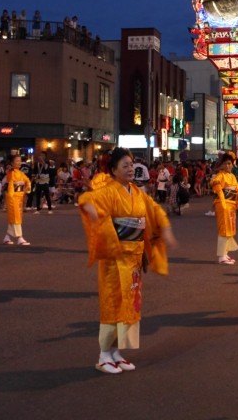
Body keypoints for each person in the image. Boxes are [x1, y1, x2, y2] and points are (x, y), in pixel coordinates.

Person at [77, 148, 176, 374]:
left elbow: (154, 211)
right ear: (113, 170)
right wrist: (91, 210)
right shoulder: (109, 191)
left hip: (133, 256)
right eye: (125, 165)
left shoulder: (137, 192)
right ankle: (104, 354)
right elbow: (86, 198)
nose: (130, 168)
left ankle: (116, 352)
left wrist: (165, 230)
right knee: (113, 303)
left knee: (130, 304)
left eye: (131, 164)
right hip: (116, 256)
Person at [210, 153, 238, 264]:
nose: (228, 166)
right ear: (221, 165)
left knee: (230, 229)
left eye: (230, 164)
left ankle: (225, 253)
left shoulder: (232, 176)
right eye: (226, 164)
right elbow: (216, 186)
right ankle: (222, 256)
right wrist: (222, 203)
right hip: (224, 204)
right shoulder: (220, 175)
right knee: (224, 229)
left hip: (231, 204)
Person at [2, 154, 32, 245]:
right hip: (13, 197)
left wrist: (26, 188)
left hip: (19, 196)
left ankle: (7, 236)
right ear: (12, 162)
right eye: (17, 161)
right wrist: (11, 197)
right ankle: (20, 237)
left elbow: (27, 181)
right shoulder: (10, 173)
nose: (19, 163)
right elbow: (10, 185)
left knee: (16, 217)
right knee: (16, 217)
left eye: (20, 161)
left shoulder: (21, 173)